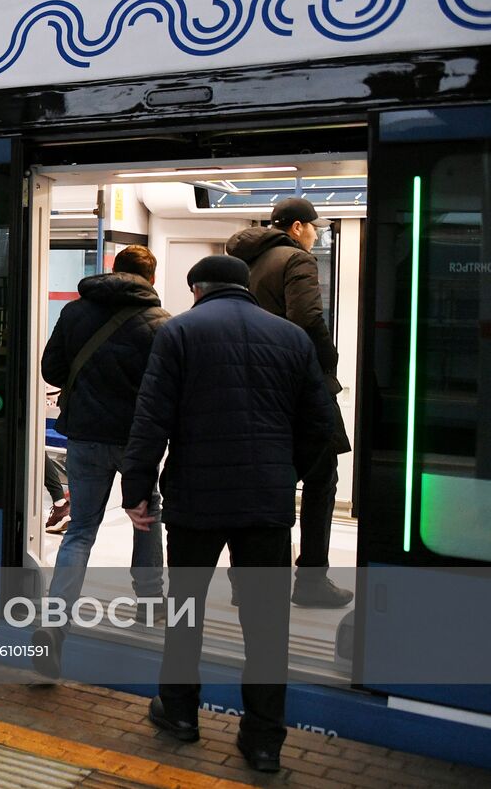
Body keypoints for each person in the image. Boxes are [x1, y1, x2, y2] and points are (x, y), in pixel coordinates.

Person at [121, 255, 333, 774]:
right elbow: (320, 425)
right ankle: (263, 742)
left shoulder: (179, 333)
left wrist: (137, 488)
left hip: (197, 498)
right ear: (245, 288)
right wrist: (289, 472)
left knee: (185, 609)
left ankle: (179, 714)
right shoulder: (290, 337)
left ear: (196, 288)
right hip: (266, 501)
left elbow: (152, 417)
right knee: (266, 625)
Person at [34, 245, 171, 675]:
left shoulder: (77, 313)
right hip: (136, 441)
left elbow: (52, 370)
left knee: (80, 532)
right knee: (146, 517)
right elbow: (165, 389)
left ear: (113, 270)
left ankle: (55, 624)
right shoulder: (160, 323)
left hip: (86, 436)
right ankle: (149, 604)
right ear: (151, 277)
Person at [226, 198, 352, 608]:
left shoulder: (244, 265)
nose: (317, 235)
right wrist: (322, 370)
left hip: (253, 388)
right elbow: (307, 319)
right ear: (298, 227)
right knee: (321, 479)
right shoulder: (297, 260)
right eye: (315, 228)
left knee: (261, 481)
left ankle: (248, 579)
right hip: (300, 389)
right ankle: (311, 581)